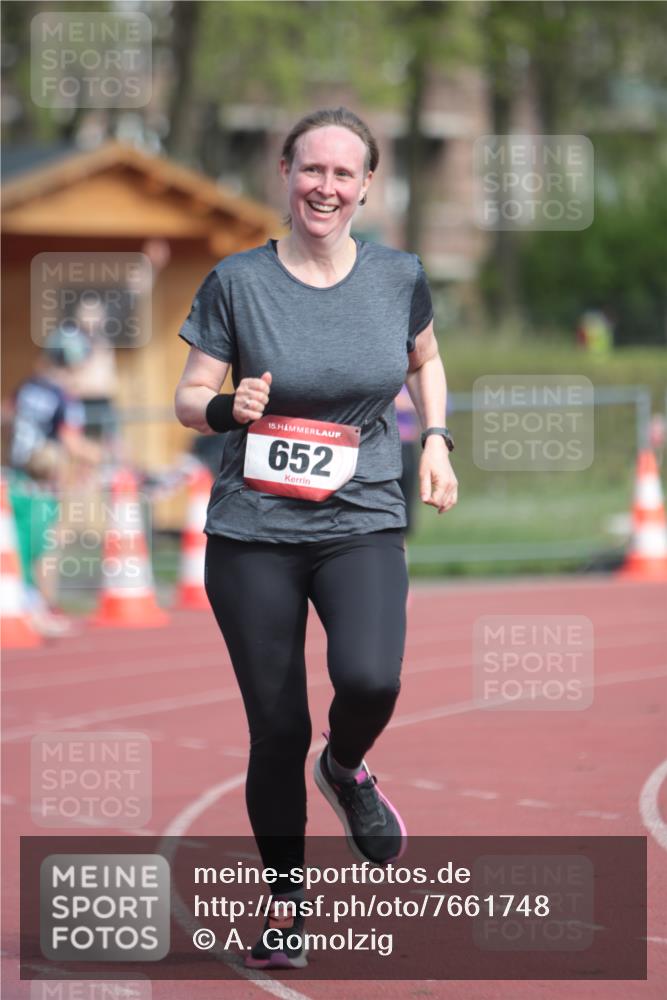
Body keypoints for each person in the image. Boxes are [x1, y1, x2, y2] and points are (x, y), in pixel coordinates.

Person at [174, 106, 457, 969]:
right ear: (284, 175)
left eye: (343, 173)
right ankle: (288, 908)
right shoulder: (237, 282)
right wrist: (229, 409)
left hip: (361, 514)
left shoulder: (398, 275)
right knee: (274, 729)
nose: (324, 187)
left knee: (371, 676)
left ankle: (346, 767)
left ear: (367, 186)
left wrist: (436, 440)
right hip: (254, 530)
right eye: (310, 170)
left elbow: (426, 361)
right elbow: (188, 397)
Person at [8, 327, 102, 636]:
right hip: (41, 483)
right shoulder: (63, 398)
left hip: (15, 476)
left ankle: (32, 605)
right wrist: (99, 455)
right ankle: (39, 608)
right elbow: (73, 443)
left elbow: (8, 418)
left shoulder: (28, 386)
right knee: (44, 548)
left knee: (20, 546)